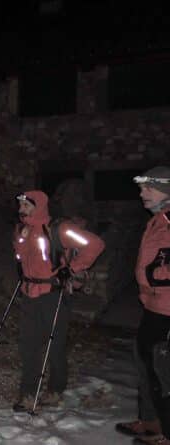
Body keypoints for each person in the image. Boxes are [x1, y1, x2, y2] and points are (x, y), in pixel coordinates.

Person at [12, 190, 104, 412]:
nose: (21, 209)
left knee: (55, 344)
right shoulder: (21, 229)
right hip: (29, 292)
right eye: (20, 205)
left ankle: (55, 389)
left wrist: (72, 268)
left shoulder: (59, 228)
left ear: (39, 206)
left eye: (26, 205)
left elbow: (94, 244)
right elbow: (22, 256)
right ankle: (28, 394)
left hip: (54, 293)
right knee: (28, 345)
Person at [116, 166, 170, 445]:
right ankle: (150, 421)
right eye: (140, 188)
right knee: (145, 362)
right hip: (152, 306)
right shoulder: (157, 220)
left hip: (168, 309)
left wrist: (158, 274)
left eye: (148, 188)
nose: (141, 193)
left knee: (164, 369)